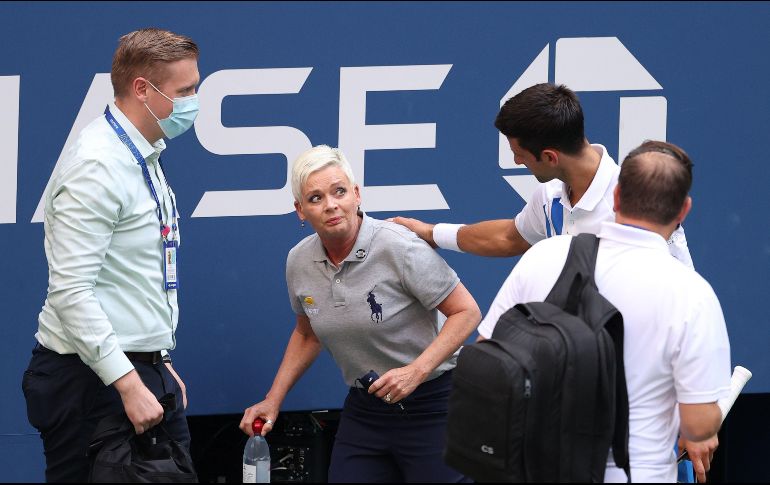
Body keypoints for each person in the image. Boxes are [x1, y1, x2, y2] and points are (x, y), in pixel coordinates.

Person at [478, 140, 731, 482]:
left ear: (616, 197)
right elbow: (698, 424)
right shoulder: (693, 294)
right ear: (683, 210)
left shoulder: (544, 255)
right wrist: (707, 410)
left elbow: (486, 358)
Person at [239, 145, 481, 483]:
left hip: (434, 403)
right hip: (366, 410)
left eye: (339, 191)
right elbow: (308, 334)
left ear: (356, 194)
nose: (331, 205)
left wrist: (414, 371)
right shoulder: (298, 261)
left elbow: (466, 312)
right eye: (315, 198)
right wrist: (273, 399)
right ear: (300, 211)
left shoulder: (399, 246)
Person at [21, 28, 200, 482]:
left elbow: (129, 276)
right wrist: (126, 380)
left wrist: (156, 359)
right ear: (142, 89)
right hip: (91, 385)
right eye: (186, 91)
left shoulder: (143, 153)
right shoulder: (97, 165)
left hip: (139, 369)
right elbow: (71, 291)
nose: (194, 102)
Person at [392, 83, 694, 289]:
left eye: (520, 154)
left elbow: (676, 304)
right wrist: (432, 233)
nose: (516, 160)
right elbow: (510, 237)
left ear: (550, 156)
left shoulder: (635, 209)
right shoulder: (549, 197)